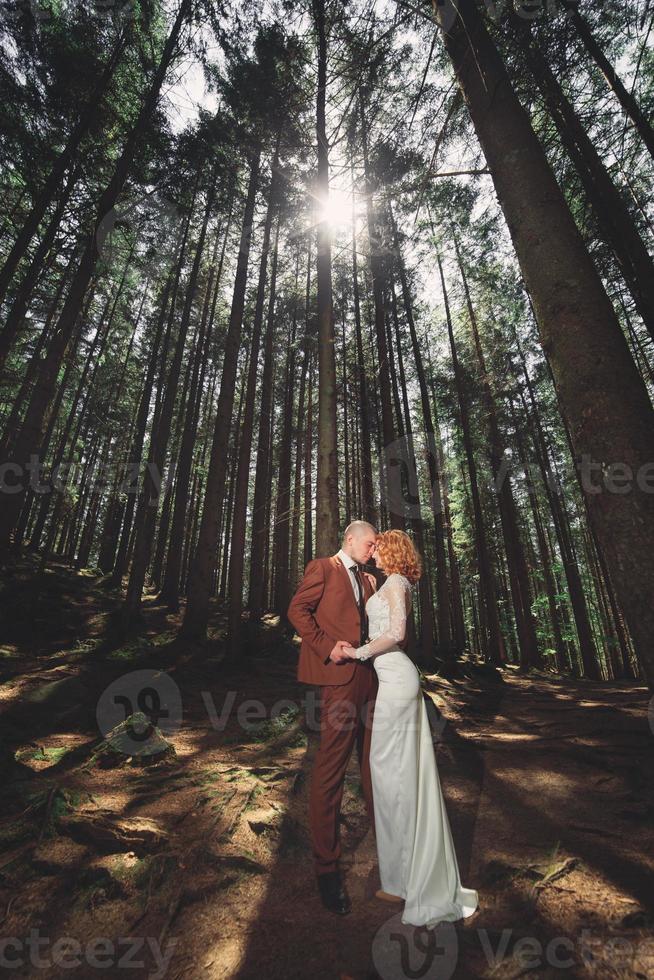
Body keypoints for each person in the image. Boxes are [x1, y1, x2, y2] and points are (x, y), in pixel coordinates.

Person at [340, 528, 479, 929]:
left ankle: (417, 881)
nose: (375, 552)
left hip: (398, 681)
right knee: (392, 777)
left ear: (394, 552)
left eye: (380, 547)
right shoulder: (386, 584)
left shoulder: (397, 583)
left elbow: (397, 634)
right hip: (391, 680)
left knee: (393, 776)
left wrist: (358, 652)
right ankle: (400, 879)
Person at [287, 520, 380, 915]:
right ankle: (327, 869)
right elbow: (297, 610)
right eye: (369, 544)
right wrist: (329, 647)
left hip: (373, 683)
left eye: (376, 546)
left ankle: (392, 856)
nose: (373, 550)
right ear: (350, 539)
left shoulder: (373, 581)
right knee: (331, 772)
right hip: (338, 681)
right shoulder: (322, 567)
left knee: (377, 766)